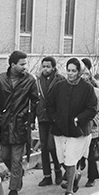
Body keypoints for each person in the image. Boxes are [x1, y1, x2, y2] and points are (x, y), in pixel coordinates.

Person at [46, 58, 97, 195]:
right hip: (60, 128)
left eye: (74, 71)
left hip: (77, 131)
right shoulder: (59, 86)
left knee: (70, 160)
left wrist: (78, 119)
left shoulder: (87, 88)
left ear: (79, 72)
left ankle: (69, 191)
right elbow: (49, 105)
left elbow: (92, 109)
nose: (70, 73)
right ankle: (74, 174)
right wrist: (55, 118)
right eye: (68, 70)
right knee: (62, 158)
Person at [0, 51, 39, 195]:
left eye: (26, 64)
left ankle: (14, 188)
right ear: (13, 65)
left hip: (20, 125)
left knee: (16, 158)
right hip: (5, 125)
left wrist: (27, 117)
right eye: (22, 64)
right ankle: (18, 175)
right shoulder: (0, 80)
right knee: (5, 156)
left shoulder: (30, 80)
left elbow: (35, 101)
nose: (25, 67)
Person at [35, 56, 65, 186]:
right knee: (44, 147)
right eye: (43, 66)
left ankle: (58, 170)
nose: (45, 69)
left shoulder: (59, 80)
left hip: (55, 118)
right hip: (42, 117)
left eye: (48, 67)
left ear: (53, 67)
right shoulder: (37, 80)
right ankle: (47, 175)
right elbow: (34, 99)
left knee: (52, 146)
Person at [81, 67, 99, 187]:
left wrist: (97, 122)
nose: (84, 77)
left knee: (92, 154)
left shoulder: (97, 92)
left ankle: (92, 177)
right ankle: (72, 177)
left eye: (87, 74)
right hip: (79, 127)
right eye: (82, 74)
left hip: (92, 128)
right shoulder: (75, 91)